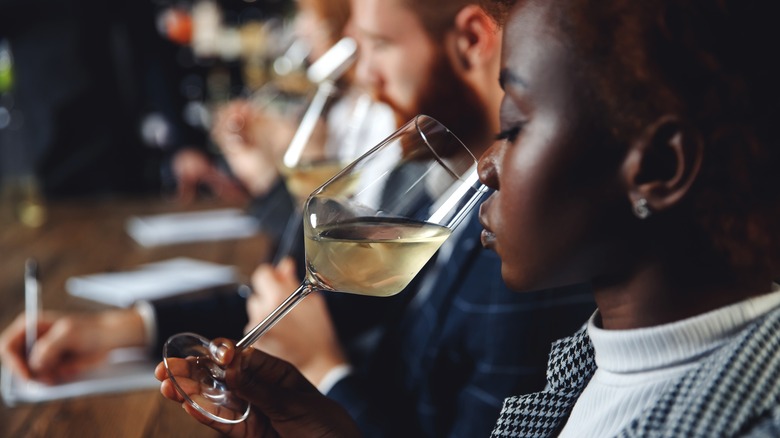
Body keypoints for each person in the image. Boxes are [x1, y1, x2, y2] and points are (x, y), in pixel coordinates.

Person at [156, 0, 780, 436]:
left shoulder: (742, 417)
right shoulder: (585, 363)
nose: (485, 165)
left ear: (660, 166)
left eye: (514, 127)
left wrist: (330, 376)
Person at [236, 0, 593, 436]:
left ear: (472, 39)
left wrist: (323, 372)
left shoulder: (527, 253)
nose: (363, 77)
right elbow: (334, 302)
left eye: (378, 45)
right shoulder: (440, 182)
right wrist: (145, 322)